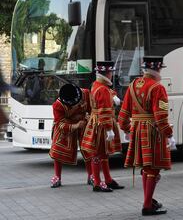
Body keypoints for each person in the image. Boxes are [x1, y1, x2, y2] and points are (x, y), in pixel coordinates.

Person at [118, 56, 173, 216]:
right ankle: (147, 205)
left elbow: (123, 114)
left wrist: (128, 129)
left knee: (146, 167)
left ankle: (148, 200)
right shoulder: (158, 88)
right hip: (152, 132)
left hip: (137, 129)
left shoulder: (133, 85)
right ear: (157, 69)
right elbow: (161, 117)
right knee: (153, 168)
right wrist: (169, 134)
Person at [81, 61, 124, 192]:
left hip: (96, 121)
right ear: (108, 73)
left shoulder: (96, 85)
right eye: (111, 72)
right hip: (102, 124)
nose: (112, 75)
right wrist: (109, 129)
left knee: (103, 154)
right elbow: (104, 110)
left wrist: (113, 95)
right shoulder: (104, 90)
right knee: (98, 153)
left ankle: (108, 180)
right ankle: (98, 183)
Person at [49, 84, 92, 187]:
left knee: (88, 148)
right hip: (66, 126)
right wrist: (75, 126)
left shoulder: (86, 93)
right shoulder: (57, 105)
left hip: (84, 123)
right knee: (57, 149)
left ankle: (91, 175)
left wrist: (86, 119)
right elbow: (59, 123)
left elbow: (93, 111)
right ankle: (57, 177)